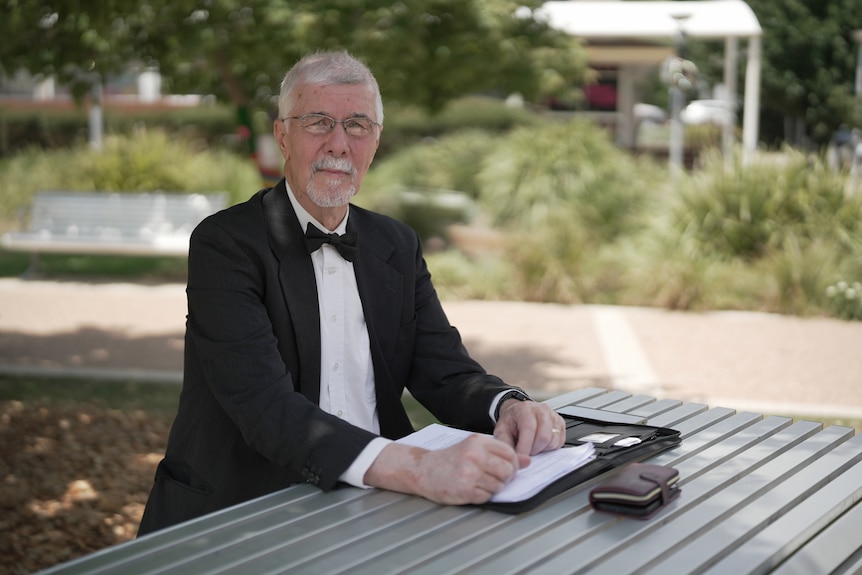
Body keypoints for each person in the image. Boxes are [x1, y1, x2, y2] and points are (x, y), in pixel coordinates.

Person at [138, 51, 566, 536]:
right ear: (283, 135)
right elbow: (263, 407)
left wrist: (508, 406)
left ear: (376, 141)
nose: (339, 144)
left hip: (376, 507)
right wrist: (420, 468)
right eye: (318, 122)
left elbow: (445, 370)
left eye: (358, 125)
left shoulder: (396, 244)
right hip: (246, 509)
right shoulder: (225, 243)